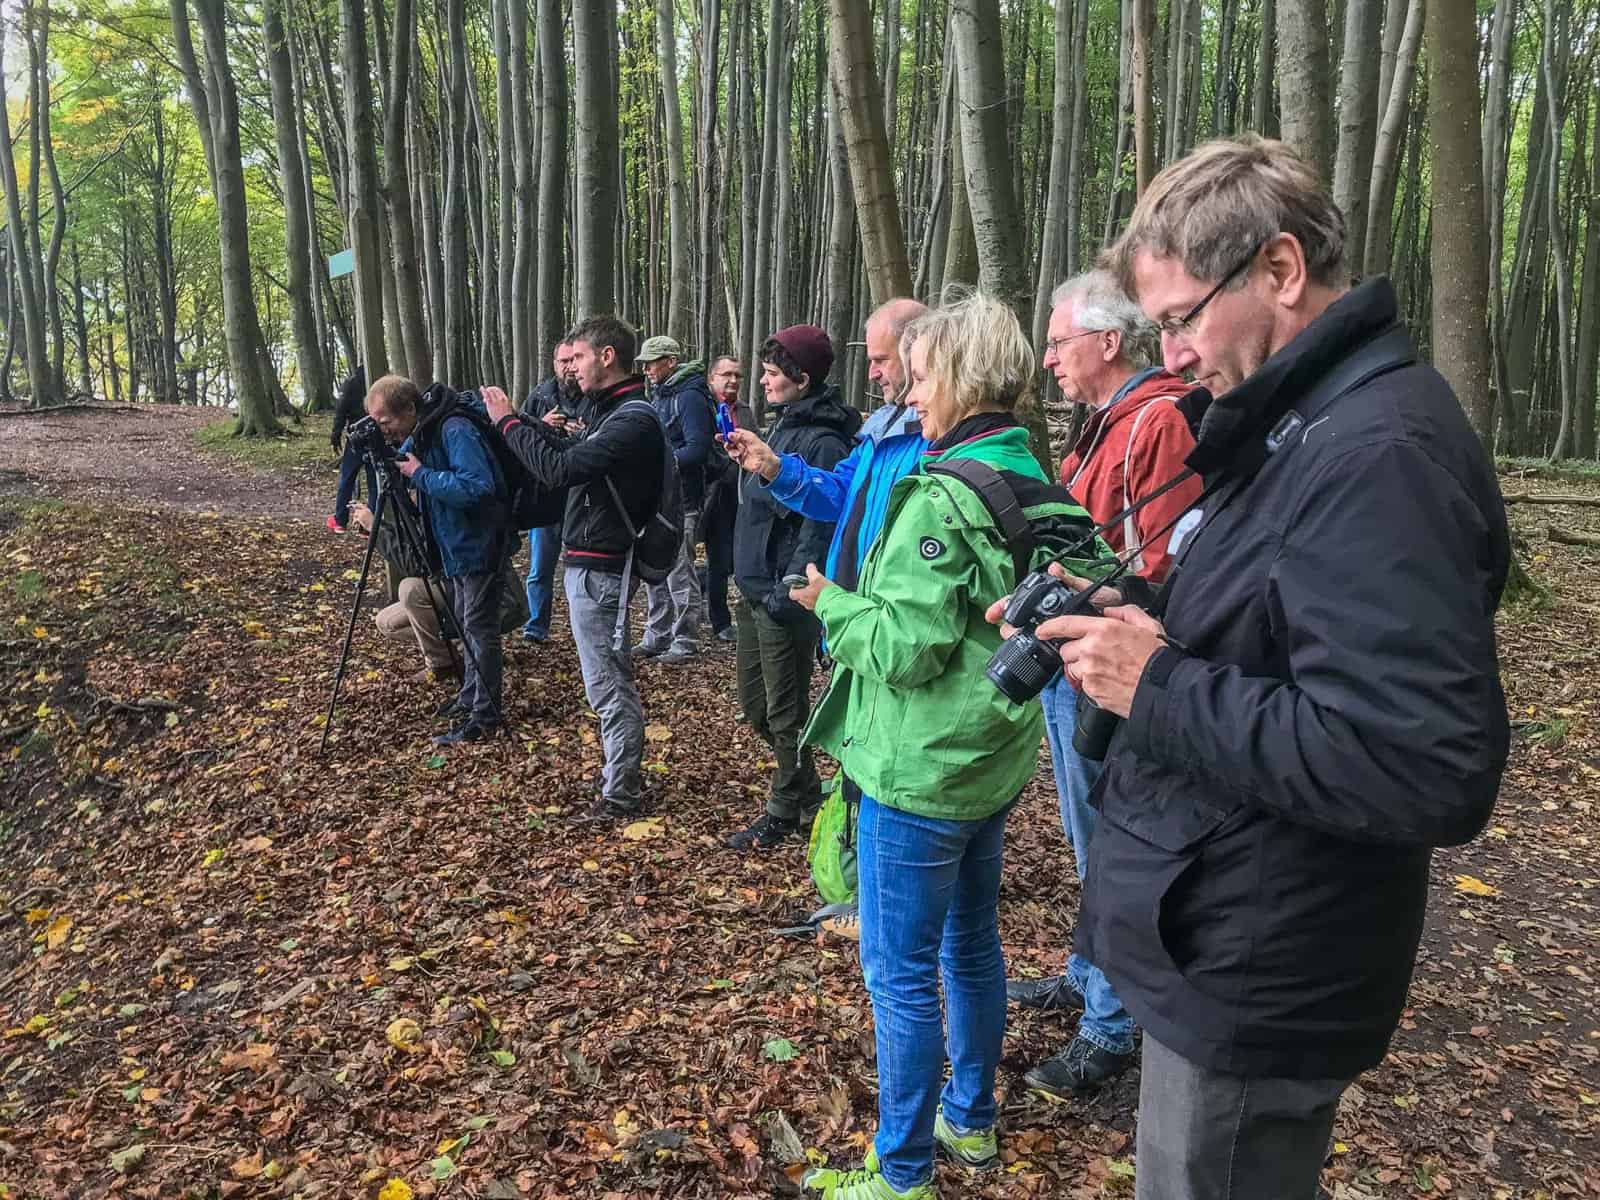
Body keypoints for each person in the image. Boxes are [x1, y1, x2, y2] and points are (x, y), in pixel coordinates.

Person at [1017, 136, 1509, 1199]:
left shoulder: (1377, 455)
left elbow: (1420, 763)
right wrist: (1139, 621)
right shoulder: (1303, 429)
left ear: (1279, 269)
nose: (1171, 355)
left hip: (1260, 960)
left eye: (1181, 319)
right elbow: (1278, 633)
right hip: (1216, 933)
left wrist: (1156, 684)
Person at [793, 293, 1105, 1200]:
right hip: (990, 759)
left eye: (921, 376)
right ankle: (969, 1118)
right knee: (971, 947)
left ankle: (901, 1173)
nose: (909, 393)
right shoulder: (1031, 472)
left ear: (961, 378)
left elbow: (905, 649)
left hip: (918, 769)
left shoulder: (942, 495)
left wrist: (831, 604)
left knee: (899, 977)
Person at [1005, 269, 1206, 1099]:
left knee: (1112, 843)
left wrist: (1090, 591)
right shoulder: (1104, 424)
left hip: (1114, 666)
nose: (1050, 359)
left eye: (1060, 342)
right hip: (1075, 657)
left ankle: (1112, 1025)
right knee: (1087, 834)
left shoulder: (1159, 421)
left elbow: (1170, 566)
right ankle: (1088, 977)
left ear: (1109, 341)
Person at [723, 298, 927, 913]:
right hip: (838, 612)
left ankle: (865, 878)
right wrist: (774, 467)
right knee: (783, 716)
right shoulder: (877, 431)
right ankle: (854, 864)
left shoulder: (924, 438)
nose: (873, 371)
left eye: (883, 359)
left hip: (865, 618)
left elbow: (823, 533)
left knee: (815, 725)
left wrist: (795, 589)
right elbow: (839, 499)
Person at [483, 316, 667, 819]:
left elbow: (561, 470)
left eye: (579, 357)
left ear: (607, 357)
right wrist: (532, 425)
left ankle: (621, 793)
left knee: (607, 683)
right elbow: (571, 454)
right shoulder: (612, 412)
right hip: (591, 561)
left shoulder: (633, 418)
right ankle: (617, 777)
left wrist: (509, 423)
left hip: (604, 567)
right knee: (603, 680)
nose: (572, 368)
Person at [725, 326, 858, 851]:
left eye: (772, 373)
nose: (763, 381)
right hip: (754, 589)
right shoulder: (783, 427)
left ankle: (785, 809)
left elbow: (820, 525)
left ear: (802, 380)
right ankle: (805, 791)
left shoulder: (824, 440)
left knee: (785, 713)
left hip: (783, 598)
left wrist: (788, 591)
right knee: (757, 706)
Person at [364, 376, 511, 747]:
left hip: (478, 544)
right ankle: (471, 697)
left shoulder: (454, 428)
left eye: (386, 422)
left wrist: (420, 474)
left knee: (478, 628)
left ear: (409, 409)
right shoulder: (424, 429)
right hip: (454, 546)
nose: (385, 430)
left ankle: (485, 716)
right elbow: (402, 460)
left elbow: (477, 486)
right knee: (466, 623)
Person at [349, 499, 529, 685]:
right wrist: (378, 527)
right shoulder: (427, 502)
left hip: (492, 597)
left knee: (411, 590)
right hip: (455, 590)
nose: (409, 494)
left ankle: (445, 662)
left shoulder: (441, 501)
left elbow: (416, 564)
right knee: (387, 622)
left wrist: (374, 527)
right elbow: (414, 542)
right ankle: (465, 651)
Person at [635, 336, 713, 664]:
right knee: (655, 569)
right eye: (644, 364)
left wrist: (658, 462)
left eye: (651, 363)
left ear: (670, 361)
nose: (646, 369)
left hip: (683, 501)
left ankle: (685, 639)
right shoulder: (661, 395)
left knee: (680, 571)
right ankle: (657, 635)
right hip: (658, 499)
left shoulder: (690, 396)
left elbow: (698, 448)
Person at [519, 341, 579, 644]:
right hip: (545, 497)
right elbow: (518, 436)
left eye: (573, 360)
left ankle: (581, 628)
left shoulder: (592, 394)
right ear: (554, 364)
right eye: (563, 361)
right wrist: (542, 424)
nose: (569, 366)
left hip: (580, 497)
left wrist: (582, 433)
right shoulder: (540, 396)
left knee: (581, 569)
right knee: (540, 568)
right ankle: (535, 627)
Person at [698, 355, 746, 643]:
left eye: (737, 375)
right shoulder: (703, 408)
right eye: (726, 375)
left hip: (741, 495)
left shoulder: (745, 411)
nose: (733, 380)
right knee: (717, 559)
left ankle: (702, 586)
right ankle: (720, 621)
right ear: (712, 379)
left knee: (731, 559)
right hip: (710, 496)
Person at [327, 364, 372, 532]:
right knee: (374, 482)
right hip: (373, 437)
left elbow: (341, 411)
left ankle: (340, 520)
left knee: (347, 479)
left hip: (356, 439)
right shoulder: (378, 381)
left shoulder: (351, 384)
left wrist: (336, 434)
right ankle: (370, 524)